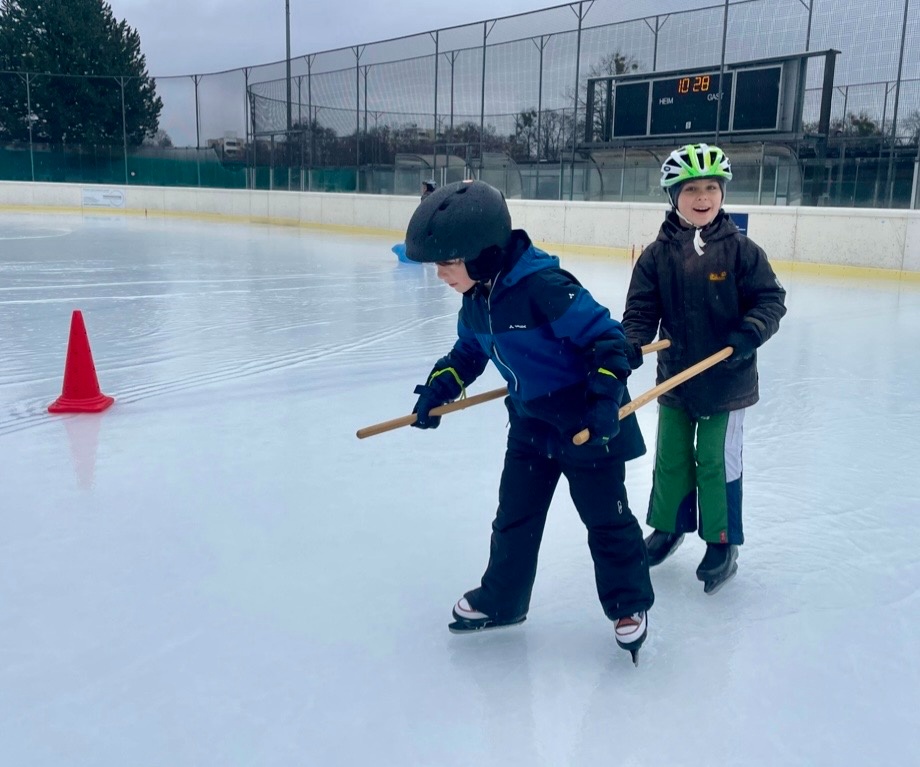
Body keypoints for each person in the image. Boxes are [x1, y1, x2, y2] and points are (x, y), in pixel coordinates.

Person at [405, 179, 654, 663]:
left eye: (448, 262)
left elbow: (610, 341)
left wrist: (604, 399)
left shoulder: (544, 288)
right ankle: (503, 599)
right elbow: (469, 350)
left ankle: (628, 605)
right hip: (530, 422)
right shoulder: (477, 297)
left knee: (607, 521)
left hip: (587, 421)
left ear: (483, 252)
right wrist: (441, 386)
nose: (440, 275)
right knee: (514, 518)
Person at [621, 143, 787, 594]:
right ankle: (669, 527)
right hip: (675, 379)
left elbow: (770, 300)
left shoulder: (741, 251)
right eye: (691, 188)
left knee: (716, 460)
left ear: (722, 193)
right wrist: (632, 343)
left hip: (727, 382)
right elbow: (640, 310)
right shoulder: (656, 256)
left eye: (711, 187)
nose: (702, 196)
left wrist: (750, 330)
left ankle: (721, 540)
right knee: (671, 457)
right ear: (673, 195)